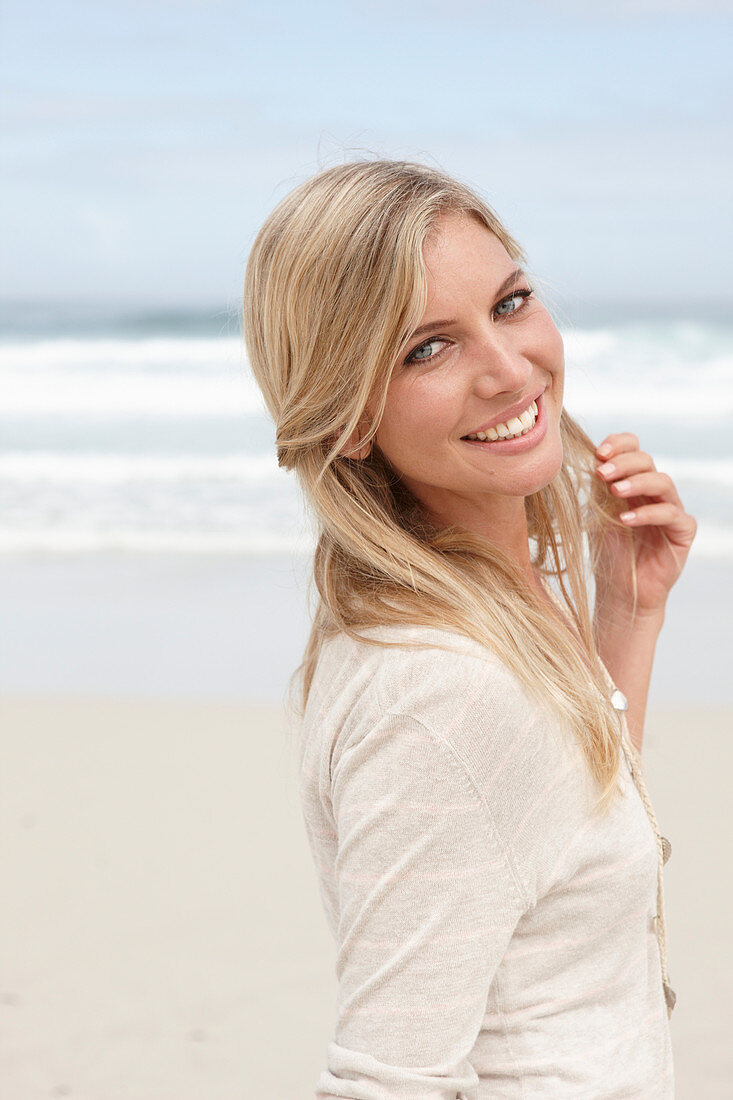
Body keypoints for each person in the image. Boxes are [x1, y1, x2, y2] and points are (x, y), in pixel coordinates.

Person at [242, 159, 696, 1098]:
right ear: (348, 415)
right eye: (425, 350)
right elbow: (383, 1082)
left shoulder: (463, 611)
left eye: (510, 301)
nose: (507, 367)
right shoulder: (442, 691)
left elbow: (555, 833)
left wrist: (627, 615)